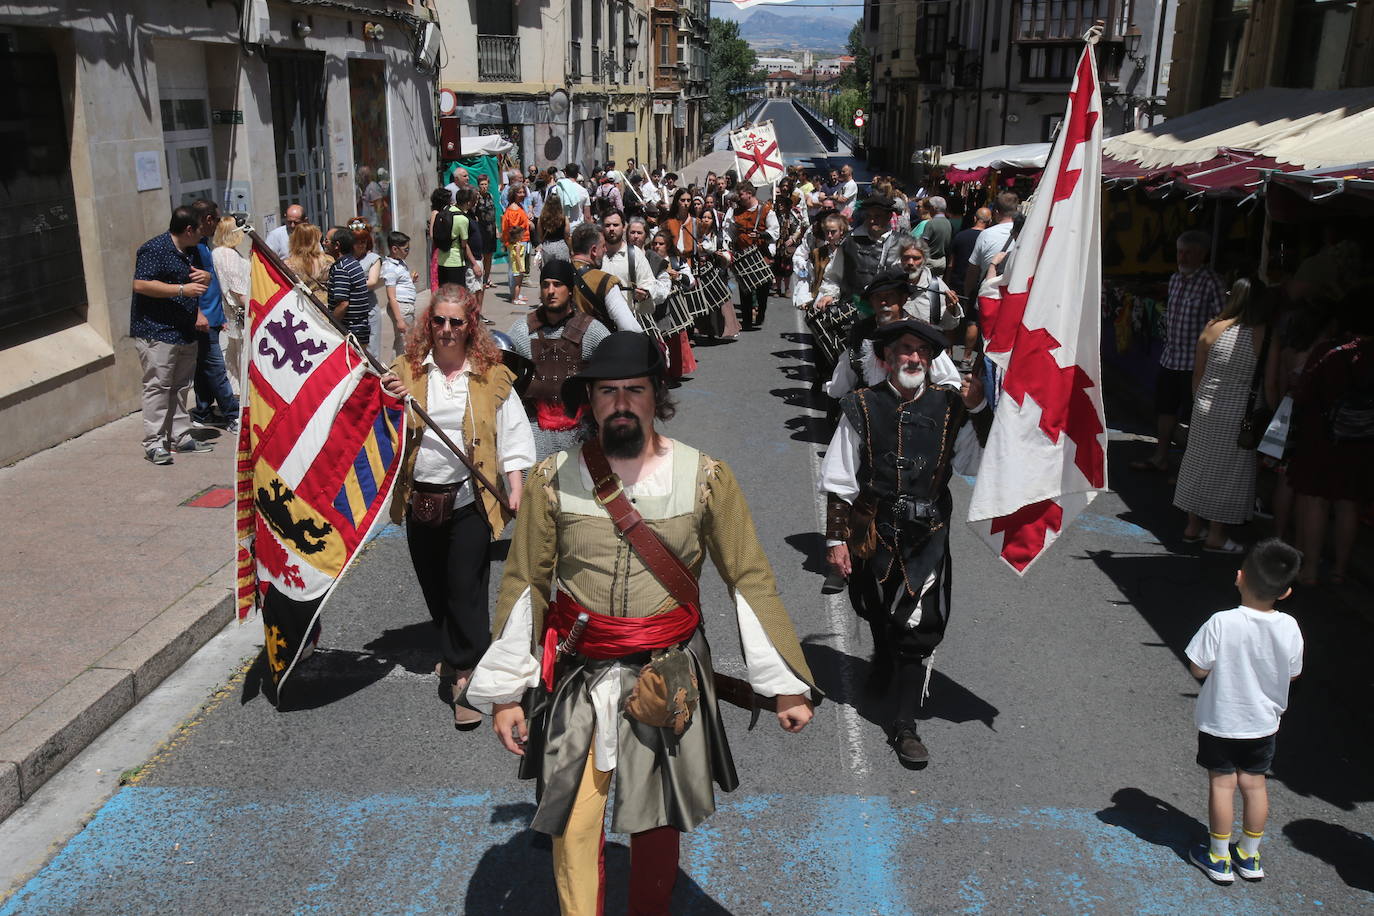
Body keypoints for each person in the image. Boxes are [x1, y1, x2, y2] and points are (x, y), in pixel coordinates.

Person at [463, 332, 819, 915]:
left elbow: (748, 576)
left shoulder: (706, 478)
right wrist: (505, 694)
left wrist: (783, 684)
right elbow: (525, 581)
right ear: (590, 400)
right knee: (572, 825)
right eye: (608, 391)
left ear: (658, 396)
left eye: (635, 389)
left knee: (655, 830)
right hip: (578, 674)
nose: (622, 402)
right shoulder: (553, 480)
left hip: (668, 674)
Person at [820, 317, 988, 767]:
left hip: (927, 534)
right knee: (872, 606)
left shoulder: (952, 407)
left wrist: (978, 410)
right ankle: (882, 654)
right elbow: (839, 478)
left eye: (921, 352)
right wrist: (837, 540)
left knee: (917, 626)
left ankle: (904, 726)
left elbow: (977, 462)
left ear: (931, 360)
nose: (913, 358)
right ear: (886, 359)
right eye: (904, 351)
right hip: (872, 528)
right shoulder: (860, 404)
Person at [382, 284, 536, 729]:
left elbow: (510, 434)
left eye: (456, 322)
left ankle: (465, 678)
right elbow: (380, 427)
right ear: (428, 325)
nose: (447, 330)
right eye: (439, 321)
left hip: (470, 499)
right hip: (419, 500)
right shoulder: (404, 371)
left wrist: (515, 486)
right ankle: (452, 651)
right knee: (434, 586)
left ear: (471, 326)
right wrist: (387, 398)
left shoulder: (491, 375)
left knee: (465, 587)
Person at [1184, 538, 1304, 884]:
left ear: (1239, 577)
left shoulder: (1222, 622)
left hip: (1221, 721)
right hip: (1263, 724)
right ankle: (1249, 855)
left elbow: (1198, 668)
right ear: (1285, 593)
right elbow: (1294, 672)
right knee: (1254, 785)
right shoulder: (1290, 627)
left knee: (1222, 786)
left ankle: (1218, 858)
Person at [1173, 279, 1274, 553]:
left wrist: (1199, 401)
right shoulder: (1262, 334)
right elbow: (1271, 381)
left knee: (1198, 465)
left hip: (1205, 407)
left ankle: (1192, 527)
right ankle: (1216, 534)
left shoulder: (1212, 327)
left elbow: (1198, 373)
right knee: (1227, 472)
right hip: (1239, 414)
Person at [1286, 289, 1374, 585]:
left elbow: (1304, 391)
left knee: (1316, 501)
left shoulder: (1330, 351)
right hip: (1361, 438)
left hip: (1322, 436)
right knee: (1349, 502)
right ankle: (1339, 570)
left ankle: (1309, 570)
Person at [1134, 231, 1226, 472]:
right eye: (1180, 252)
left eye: (1189, 253)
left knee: (1195, 418)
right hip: (1170, 358)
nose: (1182, 257)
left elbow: (1223, 322)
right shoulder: (1175, 279)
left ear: (1202, 255)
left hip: (1195, 365)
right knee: (1164, 410)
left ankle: (1191, 471)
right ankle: (1160, 457)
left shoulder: (1212, 282)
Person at [130, 206, 213, 465]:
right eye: (201, 229)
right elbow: (140, 284)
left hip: (185, 329)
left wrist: (207, 277)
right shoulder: (154, 249)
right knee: (158, 386)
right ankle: (155, 443)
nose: (204, 234)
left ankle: (181, 435)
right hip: (157, 331)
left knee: (180, 386)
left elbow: (198, 284)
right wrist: (180, 290)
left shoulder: (194, 251)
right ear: (189, 230)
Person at [507, 259, 612, 461]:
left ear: (570, 290)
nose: (551, 291)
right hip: (535, 433)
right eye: (545, 285)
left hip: (582, 434)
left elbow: (613, 376)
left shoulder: (592, 330)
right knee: (533, 490)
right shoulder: (522, 330)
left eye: (557, 284)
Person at [187, 199, 239, 431]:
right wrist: (200, 314)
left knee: (204, 368)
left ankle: (203, 410)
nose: (218, 224)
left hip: (213, 317)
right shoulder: (194, 247)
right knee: (217, 368)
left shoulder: (203, 244)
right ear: (208, 219)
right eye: (217, 220)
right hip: (203, 319)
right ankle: (232, 415)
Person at [814, 193, 907, 319]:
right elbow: (833, 275)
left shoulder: (902, 243)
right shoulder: (849, 242)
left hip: (889, 315)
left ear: (889, 216)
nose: (872, 220)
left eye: (877, 216)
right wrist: (829, 294)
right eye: (869, 216)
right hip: (852, 313)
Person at [724, 181, 778, 331]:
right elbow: (728, 231)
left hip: (761, 255)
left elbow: (775, 232)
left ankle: (760, 313)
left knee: (762, 290)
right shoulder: (735, 211)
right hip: (742, 255)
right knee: (745, 289)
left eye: (741, 194)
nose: (739, 197)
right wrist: (729, 247)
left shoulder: (766, 210)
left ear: (749, 193)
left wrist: (761, 234)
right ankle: (747, 320)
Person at [568, 223, 642, 332]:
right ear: (593, 250)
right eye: (603, 246)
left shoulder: (558, 275)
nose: (605, 250)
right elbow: (630, 328)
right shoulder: (606, 282)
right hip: (599, 346)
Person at [210, 216, 249, 398]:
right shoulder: (228, 255)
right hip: (239, 311)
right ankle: (243, 396)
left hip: (231, 311)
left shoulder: (217, 252)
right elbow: (237, 288)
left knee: (234, 355)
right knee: (242, 355)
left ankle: (237, 394)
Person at [600, 211, 656, 320]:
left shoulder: (635, 254)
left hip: (626, 319)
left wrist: (644, 294)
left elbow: (649, 283)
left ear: (624, 227)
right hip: (600, 321)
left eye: (615, 225)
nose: (611, 228)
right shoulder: (595, 254)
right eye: (607, 225)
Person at [965, 192, 1020, 302]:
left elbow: (973, 270)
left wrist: (967, 296)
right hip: (1011, 298)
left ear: (996, 212)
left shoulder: (986, 234)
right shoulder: (1024, 233)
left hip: (987, 298)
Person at [326, 225, 372, 348]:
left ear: (337, 245)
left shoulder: (341, 268)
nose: (324, 244)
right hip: (359, 331)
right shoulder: (352, 263)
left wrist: (329, 326)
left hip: (350, 334)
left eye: (327, 241)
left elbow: (343, 304)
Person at [347, 217, 385, 358]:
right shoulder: (345, 258)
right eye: (357, 242)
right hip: (349, 312)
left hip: (368, 311)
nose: (360, 245)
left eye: (363, 241)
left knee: (371, 352)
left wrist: (347, 284)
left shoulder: (373, 258)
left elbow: (372, 282)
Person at [382, 231, 419, 355]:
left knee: (407, 341)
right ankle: (397, 370)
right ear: (394, 249)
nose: (408, 252)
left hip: (407, 305)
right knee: (403, 343)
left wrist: (411, 280)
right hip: (401, 307)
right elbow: (391, 296)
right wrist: (399, 320)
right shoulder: (390, 267)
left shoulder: (400, 263)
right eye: (405, 249)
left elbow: (400, 284)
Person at [432, 187, 476, 288]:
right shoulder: (462, 219)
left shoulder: (445, 212)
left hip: (442, 260)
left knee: (444, 293)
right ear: (468, 203)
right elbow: (464, 244)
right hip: (456, 261)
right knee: (457, 294)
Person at [285, 222, 333, 302]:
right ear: (315, 240)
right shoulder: (328, 261)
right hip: (324, 306)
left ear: (294, 239)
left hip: (302, 306)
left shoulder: (288, 265)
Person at [503, 184, 532, 305]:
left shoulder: (518, 206)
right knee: (515, 269)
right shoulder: (514, 209)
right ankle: (514, 295)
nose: (522, 194)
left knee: (517, 269)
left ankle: (517, 293)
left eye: (523, 192)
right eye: (519, 192)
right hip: (518, 242)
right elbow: (514, 228)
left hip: (521, 240)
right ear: (513, 194)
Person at [919, 196, 952, 277]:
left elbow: (923, 245)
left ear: (934, 208)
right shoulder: (948, 223)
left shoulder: (931, 223)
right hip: (942, 262)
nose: (928, 209)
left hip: (929, 262)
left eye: (929, 207)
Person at [475, 173, 499, 290]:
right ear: (478, 185)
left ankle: (487, 279)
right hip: (481, 229)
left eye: (486, 184)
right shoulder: (476, 197)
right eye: (482, 184)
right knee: (481, 255)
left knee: (489, 255)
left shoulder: (490, 196)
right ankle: (480, 280)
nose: (484, 186)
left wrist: (497, 229)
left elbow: (494, 214)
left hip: (491, 229)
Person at [554, 163, 591, 228]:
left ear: (565, 173)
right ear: (577, 174)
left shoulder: (557, 188)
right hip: (578, 228)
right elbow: (587, 216)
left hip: (561, 228)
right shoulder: (584, 191)